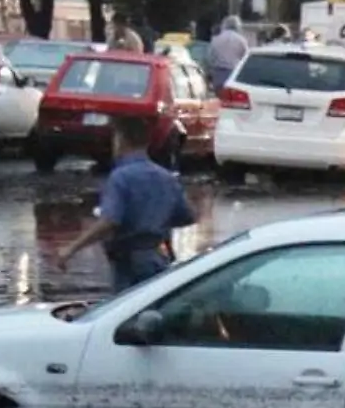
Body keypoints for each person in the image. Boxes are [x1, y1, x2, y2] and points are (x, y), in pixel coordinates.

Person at [54, 114, 196, 290]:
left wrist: (71, 249)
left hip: (128, 262)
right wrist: (158, 216)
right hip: (157, 257)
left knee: (126, 310)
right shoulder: (166, 177)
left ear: (121, 140)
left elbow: (110, 221)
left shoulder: (121, 177)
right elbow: (188, 216)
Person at [208, 15, 250, 92]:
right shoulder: (241, 40)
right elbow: (246, 57)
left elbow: (211, 57)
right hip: (234, 73)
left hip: (218, 73)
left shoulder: (216, 39)